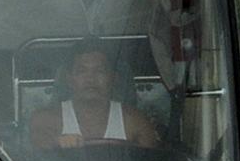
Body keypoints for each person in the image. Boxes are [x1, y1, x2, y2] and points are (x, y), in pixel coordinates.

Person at [30, 38, 159, 149]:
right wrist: (56, 142)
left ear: (113, 78)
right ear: (69, 79)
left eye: (100, 71)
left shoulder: (136, 122)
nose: (90, 79)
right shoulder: (46, 120)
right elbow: (39, 151)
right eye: (81, 71)